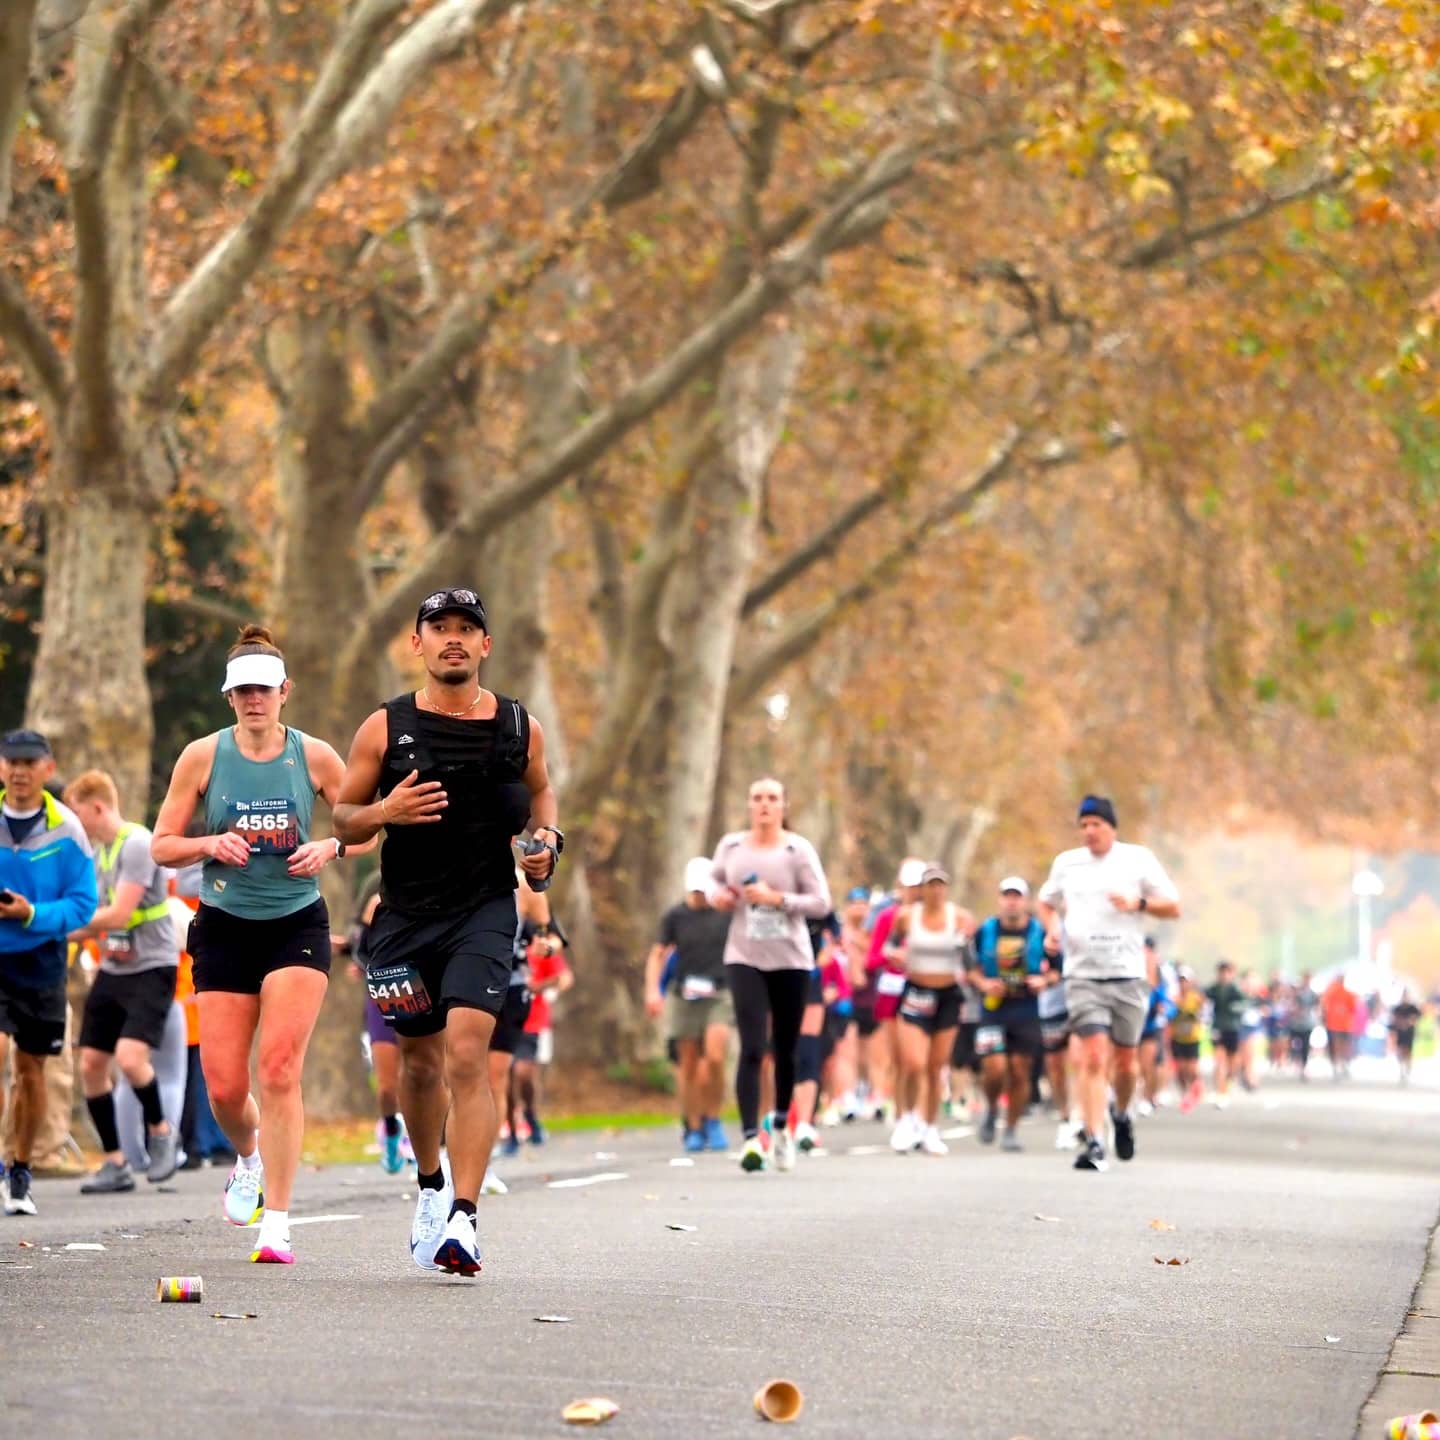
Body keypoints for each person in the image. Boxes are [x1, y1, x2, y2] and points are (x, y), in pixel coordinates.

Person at [333, 587, 559, 1277]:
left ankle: (464, 1215)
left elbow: (541, 794)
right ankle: (429, 1186)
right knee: (419, 1063)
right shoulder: (385, 727)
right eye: (440, 628)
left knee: (467, 1054)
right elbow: (343, 818)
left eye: (467, 628)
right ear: (418, 644)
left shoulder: (519, 726)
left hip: (485, 911)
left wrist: (545, 839)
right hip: (402, 920)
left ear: (486, 645)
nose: (453, 638)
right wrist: (386, 811)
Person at [151, 625, 355, 1264]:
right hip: (224, 926)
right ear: (229, 697)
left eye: (264, 689)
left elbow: (366, 823)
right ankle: (249, 1159)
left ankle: (280, 1224)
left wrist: (332, 844)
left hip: (296, 924)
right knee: (222, 1086)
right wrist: (209, 844)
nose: (254, 699)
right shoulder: (202, 757)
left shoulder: (314, 756)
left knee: (279, 1069)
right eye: (243, 691)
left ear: (285, 691)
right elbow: (160, 844)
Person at [1038, 795, 1180, 1172]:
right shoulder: (1067, 864)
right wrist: (1052, 930)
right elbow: (1046, 902)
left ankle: (1121, 1113)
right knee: (1094, 1055)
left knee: (1125, 1063)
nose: (1088, 831)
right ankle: (1095, 1140)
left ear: (1111, 827)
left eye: (1095, 824)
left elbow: (1174, 906)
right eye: (1083, 825)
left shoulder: (1137, 860)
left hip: (1127, 975)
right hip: (1083, 975)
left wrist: (1139, 904)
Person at [63, 770, 180, 1192]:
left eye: (78, 815)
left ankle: (163, 1133)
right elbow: (87, 913)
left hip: (152, 966)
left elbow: (116, 916)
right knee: (92, 1065)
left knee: (131, 1060)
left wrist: (48, 926)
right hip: (114, 968)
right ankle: (115, 1163)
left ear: (97, 807)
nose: (77, 825)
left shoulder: (136, 844)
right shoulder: (99, 853)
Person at [711, 777, 831, 1174]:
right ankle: (750, 1138)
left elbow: (821, 903)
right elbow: (714, 882)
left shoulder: (798, 850)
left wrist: (777, 899)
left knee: (785, 1048)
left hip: (792, 959)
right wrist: (721, 897)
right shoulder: (731, 846)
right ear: (749, 805)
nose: (764, 805)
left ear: (783, 806)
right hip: (744, 954)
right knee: (750, 1046)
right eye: (758, 798)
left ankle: (780, 1125)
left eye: (772, 799)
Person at [0, 730, 97, 1216]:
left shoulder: (68, 830)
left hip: (40, 960)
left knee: (30, 1072)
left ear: (47, 768)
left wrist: (31, 913)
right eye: (10, 762)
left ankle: (19, 1170)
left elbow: (84, 905)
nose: (18, 771)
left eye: (28, 762)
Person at [645, 858, 734, 1153]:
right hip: (685, 994)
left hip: (720, 993)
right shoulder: (675, 916)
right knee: (689, 1064)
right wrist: (653, 991)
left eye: (703, 890)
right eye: (695, 891)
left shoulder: (725, 915)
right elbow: (658, 954)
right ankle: (692, 1125)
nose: (699, 897)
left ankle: (713, 1118)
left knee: (716, 1055)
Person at [886, 865, 973, 1157]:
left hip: (948, 994)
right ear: (922, 889)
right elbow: (889, 946)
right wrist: (895, 955)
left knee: (936, 1067)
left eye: (940, 885)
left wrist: (967, 945)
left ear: (946, 888)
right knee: (913, 1062)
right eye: (930, 885)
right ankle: (906, 1120)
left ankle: (929, 1126)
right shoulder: (907, 916)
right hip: (917, 992)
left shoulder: (959, 917)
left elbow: (970, 960)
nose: (936, 891)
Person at [968, 876, 1056, 1153]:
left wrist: (1044, 981)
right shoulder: (985, 931)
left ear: (1026, 901)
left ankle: (1011, 1128)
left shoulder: (1040, 932)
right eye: (1007, 895)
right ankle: (992, 1108)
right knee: (994, 1068)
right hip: (993, 1008)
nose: (1012, 901)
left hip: (1026, 1008)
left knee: (1020, 1071)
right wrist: (983, 984)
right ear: (1000, 900)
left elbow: (1057, 969)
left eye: (1017, 896)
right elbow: (969, 967)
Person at [506, 879, 573, 1152]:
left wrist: (540, 985)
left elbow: (565, 977)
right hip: (503, 1008)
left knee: (523, 1072)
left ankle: (530, 1113)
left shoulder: (538, 938)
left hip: (533, 1015)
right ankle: (511, 1130)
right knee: (504, 1073)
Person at [793, 907, 842, 1152]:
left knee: (809, 1053)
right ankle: (774, 1118)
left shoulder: (818, 903)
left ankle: (805, 1122)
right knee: (776, 1054)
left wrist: (825, 953)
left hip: (809, 983)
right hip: (776, 983)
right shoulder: (770, 896)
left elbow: (836, 937)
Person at [1204, 960, 1246, 1109]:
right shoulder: (1213, 989)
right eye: (1221, 972)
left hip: (1232, 1028)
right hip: (1218, 1028)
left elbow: (1244, 1003)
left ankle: (1229, 1082)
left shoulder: (1235, 989)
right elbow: (1202, 998)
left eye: (1227, 972)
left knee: (1232, 1061)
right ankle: (1220, 1091)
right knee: (1219, 1060)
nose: (1223, 975)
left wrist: (1236, 1008)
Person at [1169, 967, 1205, 1111]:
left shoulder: (1197, 998)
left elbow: (1204, 1013)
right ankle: (1185, 1093)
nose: (1183, 984)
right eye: (1180, 981)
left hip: (1192, 1038)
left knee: (1191, 1069)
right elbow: (1168, 1015)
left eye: (1185, 981)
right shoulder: (1174, 998)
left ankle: (1193, 1090)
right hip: (1177, 1038)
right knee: (1180, 1071)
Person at [1321, 974, 1357, 1081]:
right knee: (1341, 1047)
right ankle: (1341, 1066)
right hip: (1338, 1024)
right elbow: (1352, 1009)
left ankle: (1339, 1066)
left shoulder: (1332, 993)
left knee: (1338, 1046)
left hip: (1338, 1024)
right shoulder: (1340, 993)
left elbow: (1352, 1009)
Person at [1288, 972, 1320, 1081]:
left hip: (1307, 1023)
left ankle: (1304, 1066)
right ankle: (1296, 1060)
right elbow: (1291, 1005)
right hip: (1296, 1023)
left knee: (1305, 1045)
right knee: (1294, 1043)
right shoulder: (1297, 992)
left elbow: (1317, 1007)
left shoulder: (1313, 994)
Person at [1389, 990, 1422, 1085]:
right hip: (1400, 1032)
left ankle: (1407, 1067)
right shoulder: (1397, 1008)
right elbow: (1393, 1019)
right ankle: (1402, 1069)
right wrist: (1399, 1024)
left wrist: (1411, 1021)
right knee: (1400, 1050)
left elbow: (1418, 1017)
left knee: (1408, 1051)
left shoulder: (1413, 1008)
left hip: (1410, 1032)